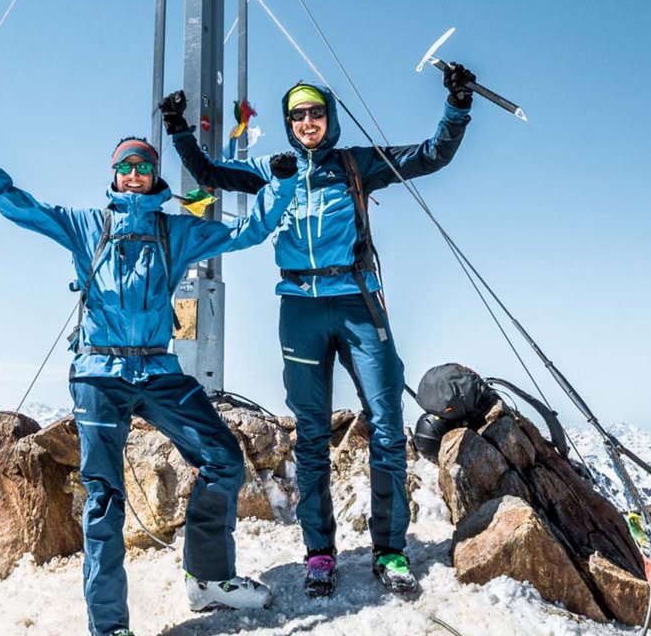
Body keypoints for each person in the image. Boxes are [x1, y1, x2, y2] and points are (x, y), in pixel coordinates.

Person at [0, 125, 297, 636]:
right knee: (105, 497)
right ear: (113, 174)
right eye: (126, 167)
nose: (134, 175)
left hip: (157, 369)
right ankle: (109, 626)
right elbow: (22, 206)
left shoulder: (175, 230)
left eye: (143, 167)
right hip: (98, 372)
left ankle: (209, 579)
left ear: (154, 174)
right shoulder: (86, 225)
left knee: (222, 458)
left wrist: (282, 185)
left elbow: (248, 233)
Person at [160, 62, 478, 597]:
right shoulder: (274, 166)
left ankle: (391, 551)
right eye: (297, 114)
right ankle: (320, 554)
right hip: (300, 309)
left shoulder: (354, 164)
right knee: (310, 435)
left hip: (357, 303)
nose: (307, 121)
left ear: (330, 118)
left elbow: (431, 155)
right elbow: (211, 173)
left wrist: (457, 105)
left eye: (315, 112)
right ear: (289, 124)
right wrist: (177, 128)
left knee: (385, 424)